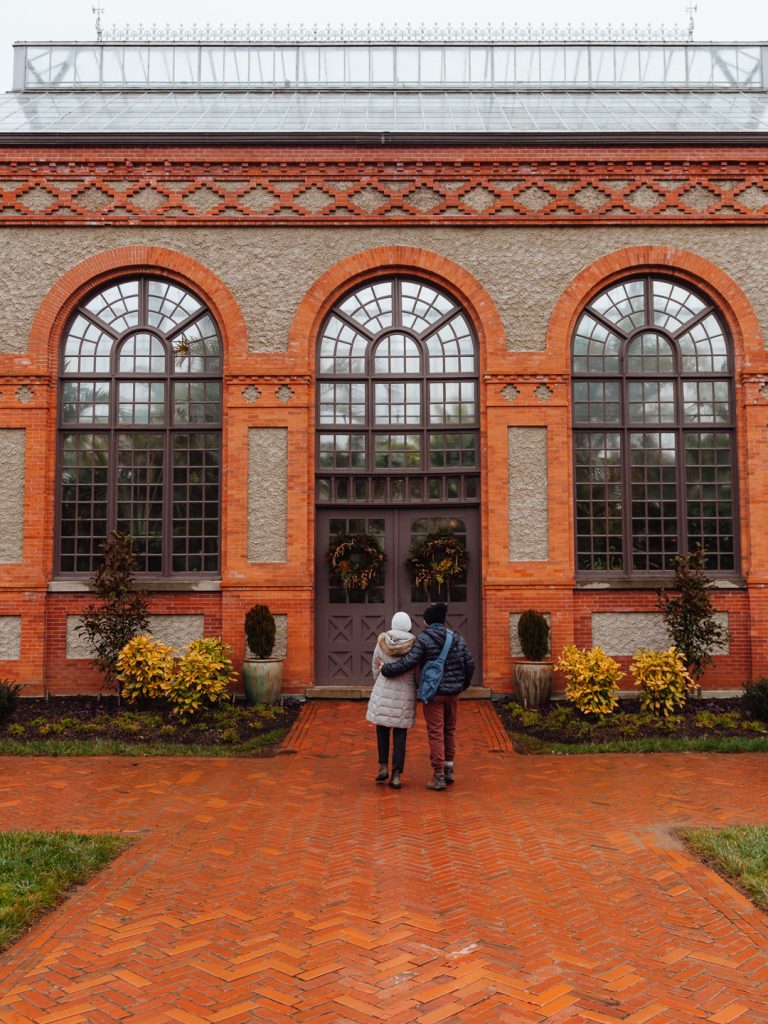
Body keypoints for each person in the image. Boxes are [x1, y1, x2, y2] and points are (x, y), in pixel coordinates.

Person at [378, 601, 474, 791]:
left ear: (428, 621)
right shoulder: (456, 637)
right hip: (453, 694)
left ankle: (438, 776)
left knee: (436, 733)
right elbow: (469, 663)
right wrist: (461, 686)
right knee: (450, 730)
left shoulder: (424, 638)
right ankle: (449, 769)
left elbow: (409, 662)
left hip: (435, 693)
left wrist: (386, 669)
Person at [366, 611, 418, 790]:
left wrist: (380, 682)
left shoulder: (382, 642)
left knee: (382, 729)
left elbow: (375, 665)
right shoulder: (414, 644)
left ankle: (382, 766)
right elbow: (416, 669)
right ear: (409, 625)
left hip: (383, 690)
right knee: (400, 735)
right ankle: (396, 774)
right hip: (405, 693)